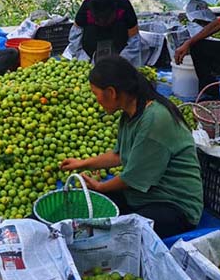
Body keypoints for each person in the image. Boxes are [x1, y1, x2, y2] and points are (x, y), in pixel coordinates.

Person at [60, 57, 202, 238]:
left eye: (96, 94)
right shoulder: (130, 113)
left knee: (115, 233)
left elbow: (133, 178)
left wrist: (101, 187)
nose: (96, 100)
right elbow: (119, 155)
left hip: (174, 205)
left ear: (111, 92)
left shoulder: (155, 119)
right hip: (143, 196)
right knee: (85, 210)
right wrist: (82, 164)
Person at [74, 0, 141, 64]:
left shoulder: (124, 6)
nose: (102, 24)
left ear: (114, 12)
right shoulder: (85, 9)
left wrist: (122, 62)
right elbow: (75, 40)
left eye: (106, 21)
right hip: (93, 36)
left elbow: (133, 42)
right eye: (98, 20)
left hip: (118, 34)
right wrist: (83, 61)